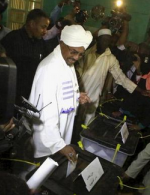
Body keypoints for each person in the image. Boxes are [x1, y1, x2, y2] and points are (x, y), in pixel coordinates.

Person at [28, 25, 92, 161]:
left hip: (60, 133)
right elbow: (45, 113)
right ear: (62, 43)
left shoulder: (66, 62)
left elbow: (59, 93)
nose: (76, 58)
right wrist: (59, 145)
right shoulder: (50, 68)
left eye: (81, 54)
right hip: (49, 141)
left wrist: (76, 96)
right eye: (74, 52)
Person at [76, 28, 150, 125]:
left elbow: (121, 78)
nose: (106, 42)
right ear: (98, 39)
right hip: (76, 92)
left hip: (92, 97)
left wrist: (141, 90)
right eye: (103, 39)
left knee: (87, 124)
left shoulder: (110, 58)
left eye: (108, 40)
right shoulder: (86, 52)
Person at [0, 9, 50, 106]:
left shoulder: (41, 44)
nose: (45, 31)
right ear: (32, 24)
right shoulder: (12, 39)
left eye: (46, 28)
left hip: (30, 96)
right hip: (12, 95)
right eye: (43, 27)